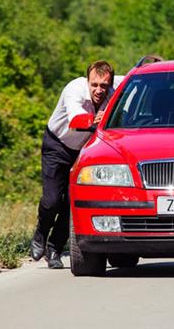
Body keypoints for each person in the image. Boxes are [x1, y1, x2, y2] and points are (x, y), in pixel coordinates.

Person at [30, 60, 120, 269]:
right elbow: (76, 119)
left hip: (83, 151)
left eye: (104, 86)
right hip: (58, 145)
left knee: (73, 201)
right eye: (94, 85)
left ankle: (55, 248)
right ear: (87, 81)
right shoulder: (74, 89)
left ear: (110, 84)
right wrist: (94, 120)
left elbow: (134, 78)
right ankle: (40, 234)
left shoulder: (114, 91)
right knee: (52, 200)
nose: (99, 90)